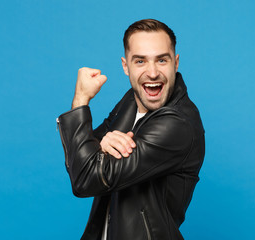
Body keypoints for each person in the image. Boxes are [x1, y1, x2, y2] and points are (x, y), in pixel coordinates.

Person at [57, 19, 205, 240]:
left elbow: (85, 180)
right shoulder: (131, 100)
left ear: (175, 63)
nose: (152, 73)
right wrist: (102, 144)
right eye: (140, 61)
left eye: (161, 60)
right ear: (126, 66)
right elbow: (81, 160)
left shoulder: (178, 124)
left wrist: (81, 100)